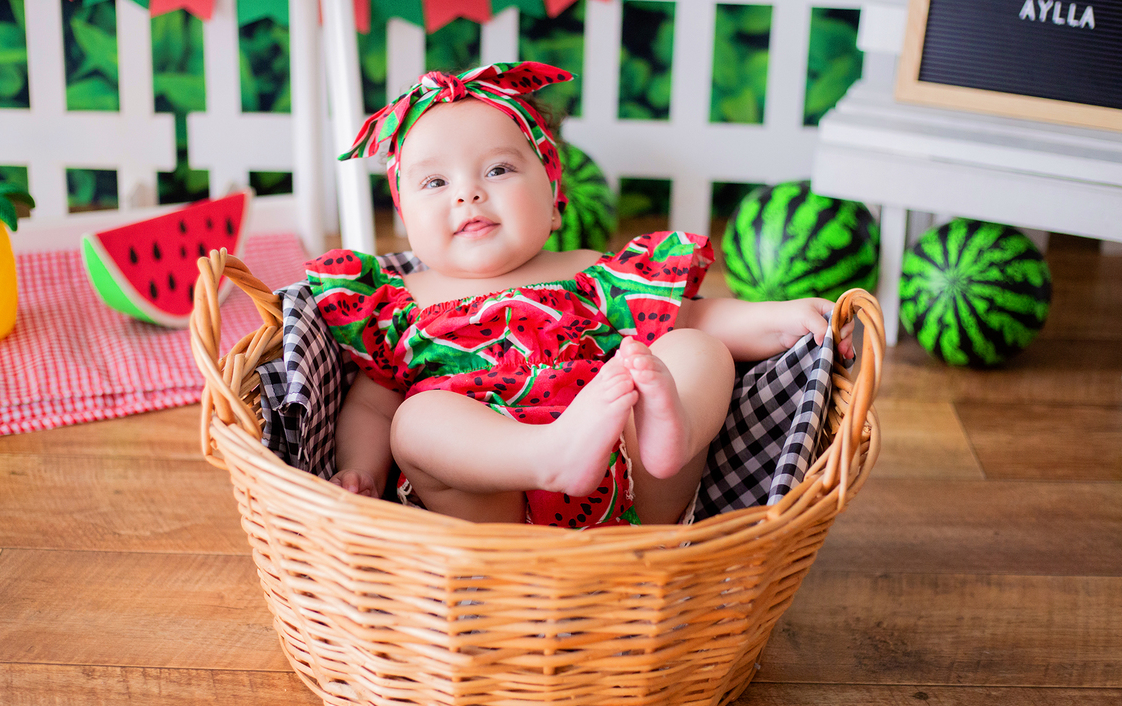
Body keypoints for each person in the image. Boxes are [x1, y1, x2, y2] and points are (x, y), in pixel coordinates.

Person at [308, 62, 852, 528]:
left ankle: (672, 439)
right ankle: (548, 456)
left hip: (632, 497)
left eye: (498, 169)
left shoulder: (590, 273)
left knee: (694, 347)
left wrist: (783, 321)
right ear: (403, 215)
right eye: (434, 183)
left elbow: (701, 317)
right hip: (493, 525)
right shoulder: (397, 302)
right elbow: (372, 408)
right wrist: (361, 469)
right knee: (416, 420)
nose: (469, 192)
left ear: (553, 197)